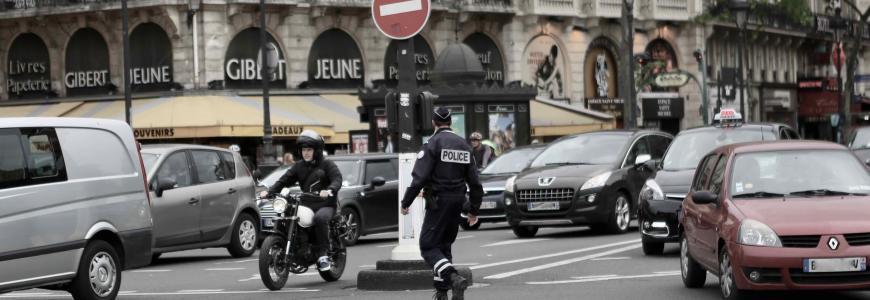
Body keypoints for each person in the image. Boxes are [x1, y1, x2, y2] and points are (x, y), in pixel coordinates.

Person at [401, 107, 484, 300]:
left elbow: (419, 178)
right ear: (451, 122)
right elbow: (475, 183)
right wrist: (473, 209)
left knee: (428, 246)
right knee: (444, 247)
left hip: (438, 201)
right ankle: (442, 293)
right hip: (457, 202)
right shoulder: (464, 146)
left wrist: (406, 202)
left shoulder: (432, 144)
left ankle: (453, 278)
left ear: (434, 123)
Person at [259, 130, 342, 272]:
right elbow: (284, 180)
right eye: (304, 150)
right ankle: (295, 248)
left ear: (317, 150)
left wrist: (329, 190)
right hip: (307, 204)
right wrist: (269, 192)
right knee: (290, 213)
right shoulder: (299, 166)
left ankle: (322, 255)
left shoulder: (327, 164)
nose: (306, 153)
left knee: (320, 218)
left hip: (326, 204)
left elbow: (337, 179)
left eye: (309, 149)